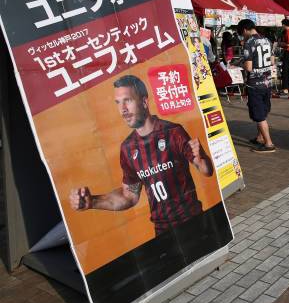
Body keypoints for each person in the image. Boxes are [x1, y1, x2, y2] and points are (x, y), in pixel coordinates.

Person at [69, 75, 213, 236]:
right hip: (162, 233)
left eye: (127, 100)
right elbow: (129, 196)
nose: (122, 109)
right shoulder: (127, 148)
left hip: (194, 223)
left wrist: (203, 158)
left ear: (144, 102)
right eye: (118, 103)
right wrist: (93, 202)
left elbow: (206, 171)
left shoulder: (173, 132)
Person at [237, 19, 276, 153]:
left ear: (244, 30)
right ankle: (260, 137)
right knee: (263, 111)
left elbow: (248, 67)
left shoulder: (249, 43)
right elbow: (272, 61)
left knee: (259, 115)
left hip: (255, 84)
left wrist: (239, 64)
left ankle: (269, 144)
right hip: (267, 81)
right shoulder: (267, 40)